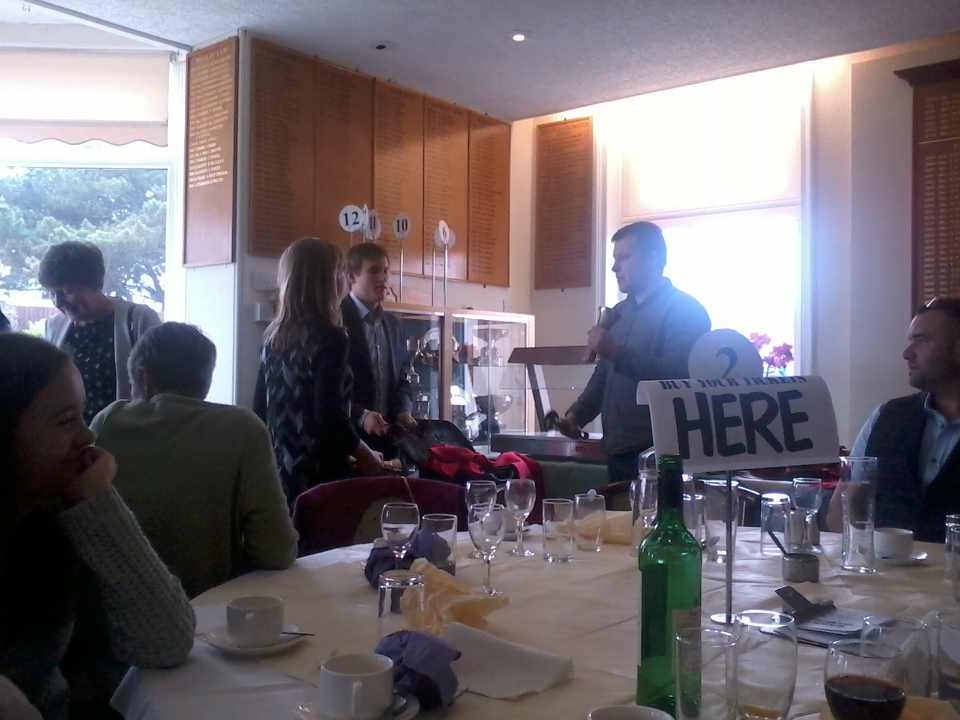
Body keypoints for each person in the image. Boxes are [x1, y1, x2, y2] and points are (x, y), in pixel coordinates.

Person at [0, 333, 194, 720]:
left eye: (84, 414)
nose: (87, 436)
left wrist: (97, 505)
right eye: (65, 421)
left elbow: (166, 642)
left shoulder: (58, 519)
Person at [90, 322, 299, 598]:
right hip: (209, 611)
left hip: (114, 611)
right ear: (205, 378)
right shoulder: (241, 428)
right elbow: (276, 551)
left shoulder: (108, 421)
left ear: (144, 378)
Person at [562, 221, 711, 484]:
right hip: (618, 449)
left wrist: (616, 351)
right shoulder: (620, 312)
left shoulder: (685, 310)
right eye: (615, 259)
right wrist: (576, 416)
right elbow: (605, 374)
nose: (615, 267)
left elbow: (678, 374)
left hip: (661, 452)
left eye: (624, 257)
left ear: (652, 258)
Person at [254, 237, 383, 507]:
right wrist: (364, 453)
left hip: (281, 468)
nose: (346, 280)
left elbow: (260, 408)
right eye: (339, 272)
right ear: (324, 280)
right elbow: (330, 415)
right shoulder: (330, 336)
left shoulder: (273, 335)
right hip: (320, 472)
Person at [828, 298, 960, 543]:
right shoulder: (887, 417)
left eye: (922, 340)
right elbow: (845, 501)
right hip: (887, 575)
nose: (907, 353)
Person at [38, 241, 161, 423]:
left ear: (96, 283)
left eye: (66, 291)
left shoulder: (138, 318)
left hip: (125, 434)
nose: (58, 302)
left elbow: (161, 386)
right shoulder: (54, 325)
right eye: (51, 293)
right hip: (73, 437)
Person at [341, 243, 416, 453]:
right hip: (350, 440)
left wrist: (403, 410)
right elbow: (330, 391)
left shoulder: (394, 325)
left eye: (385, 270)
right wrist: (361, 416)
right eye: (374, 271)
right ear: (351, 277)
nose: (383, 277)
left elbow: (402, 378)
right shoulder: (336, 321)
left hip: (390, 440)